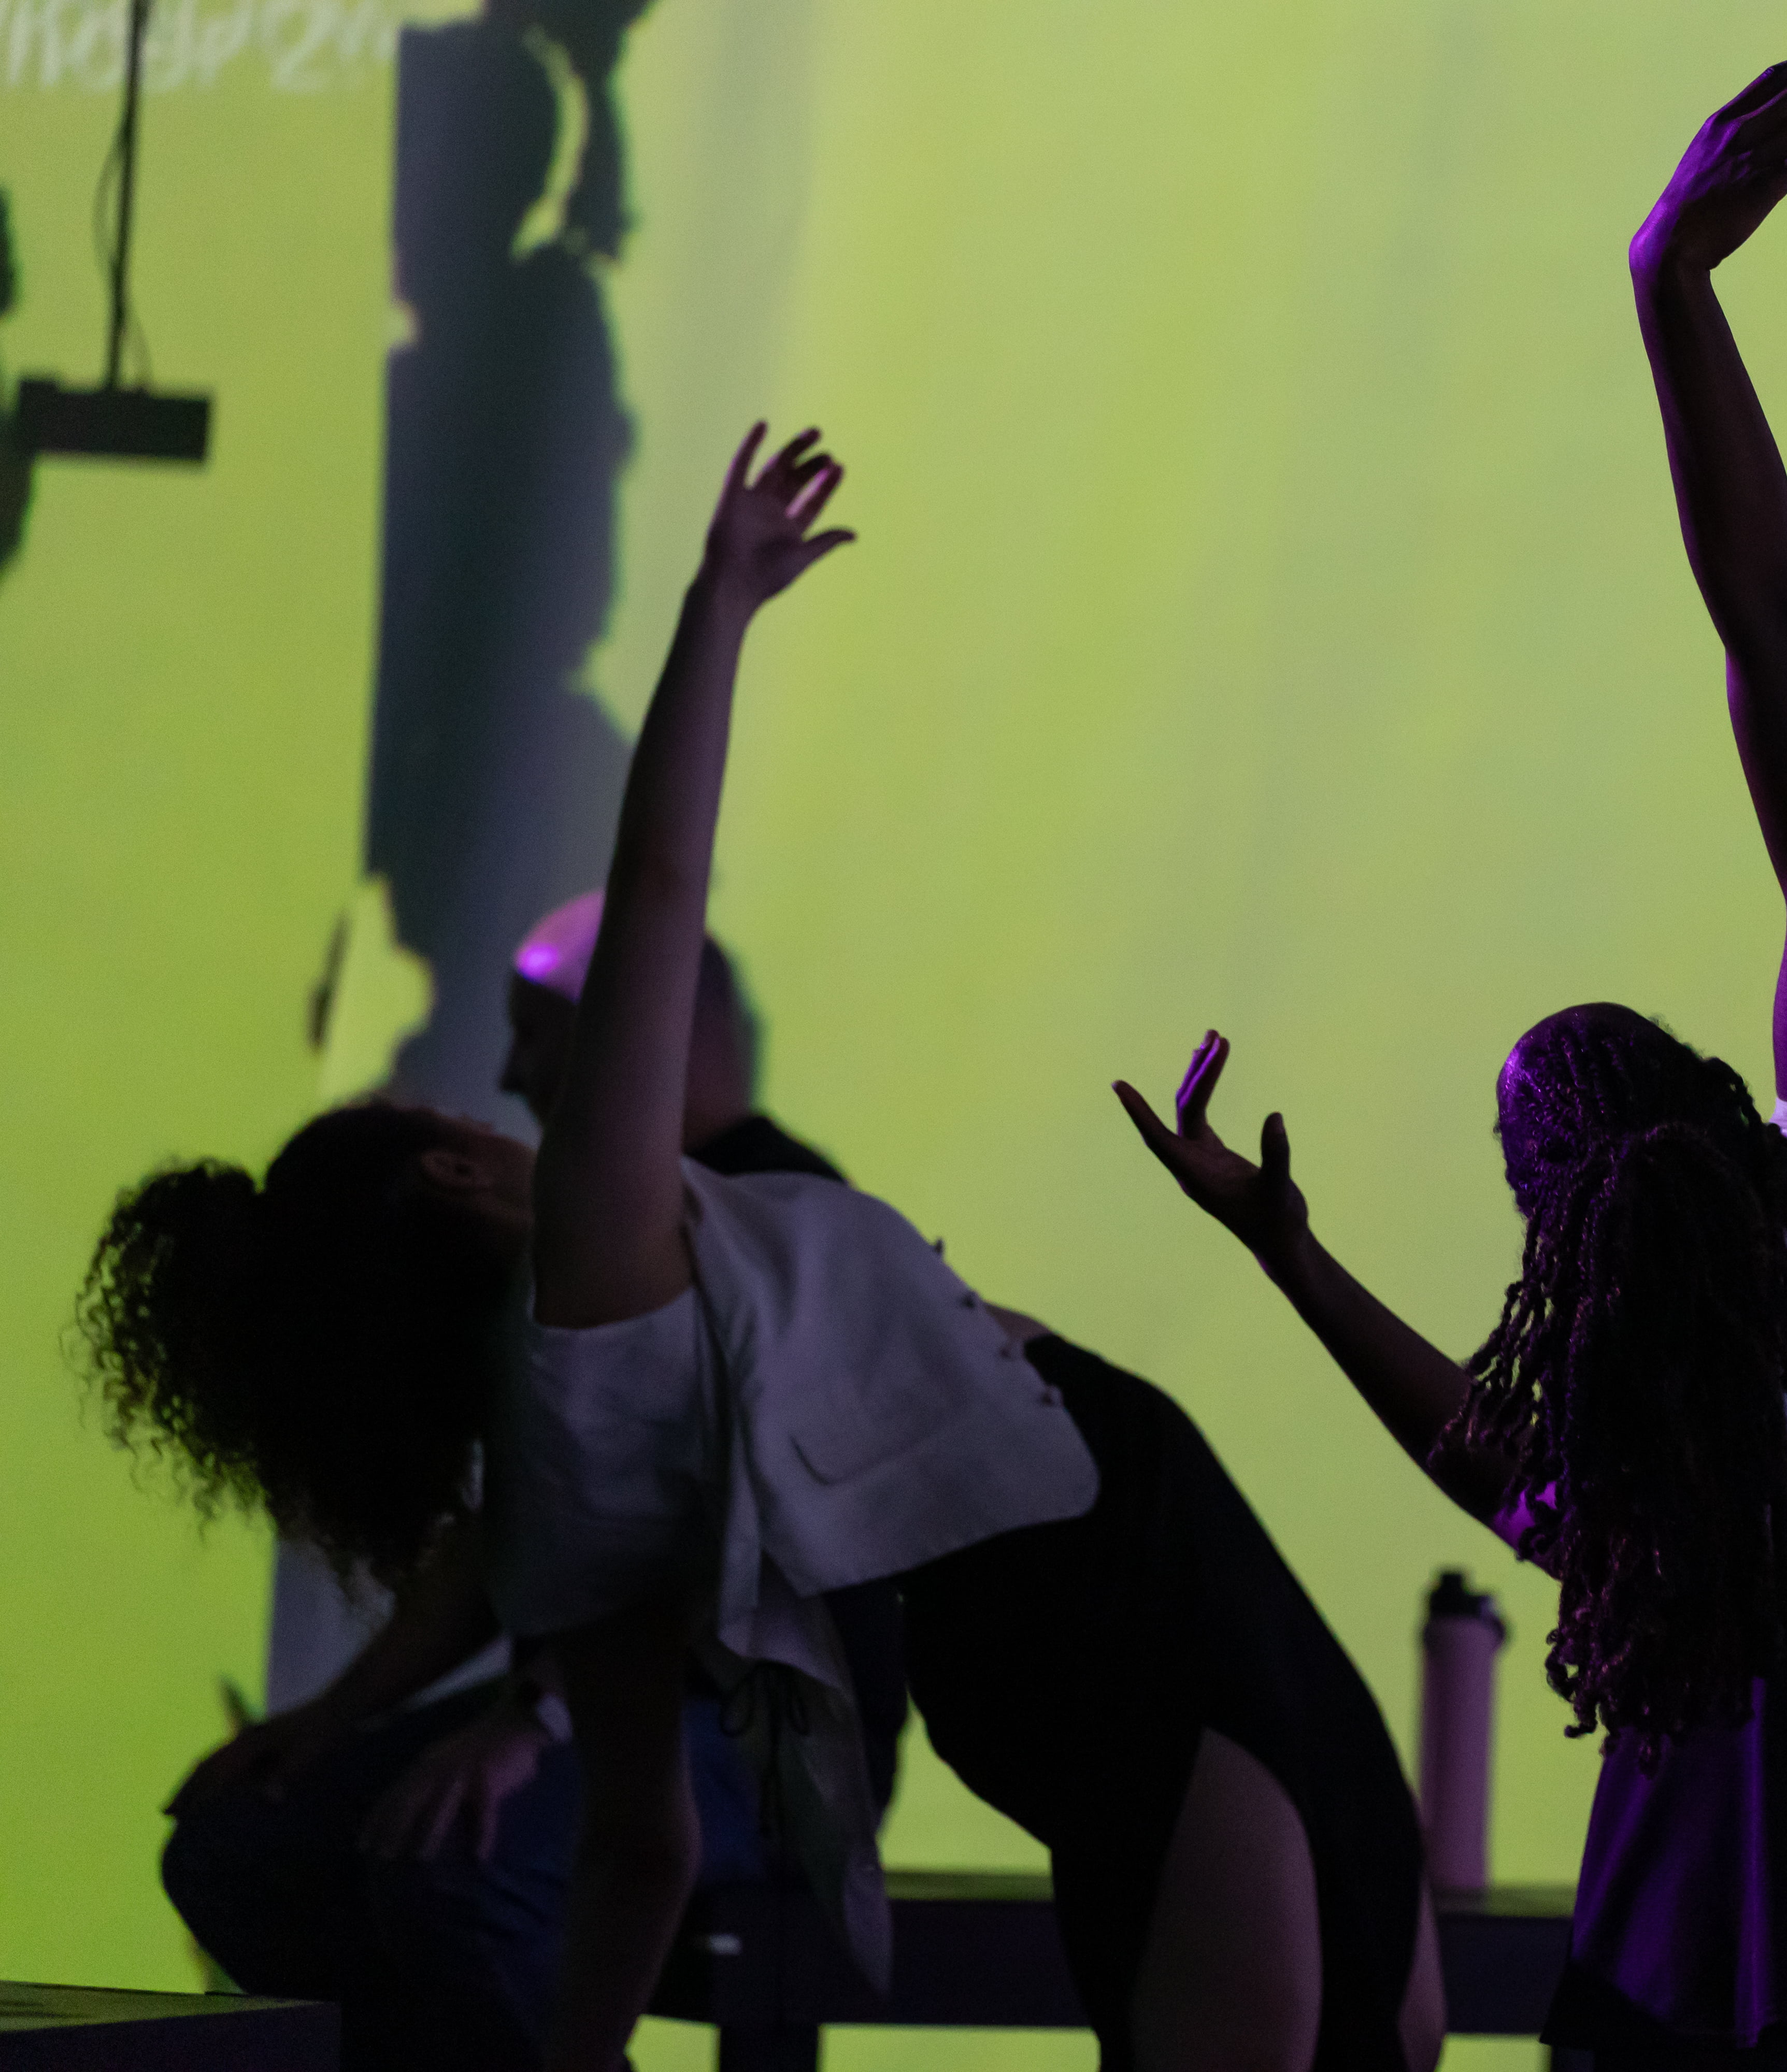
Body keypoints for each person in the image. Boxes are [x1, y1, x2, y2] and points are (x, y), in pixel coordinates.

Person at [83, 425, 1440, 2072]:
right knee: (1349, 2036)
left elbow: (639, 1854)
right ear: (453, 1167)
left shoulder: (555, 1490)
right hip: (1118, 1579)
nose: (522, 1104)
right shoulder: (600, 1256)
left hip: (1085, 1603)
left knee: (1366, 2026)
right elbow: (657, 889)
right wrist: (720, 605)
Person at [1121, 51, 1787, 2069]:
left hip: (1737, 1918)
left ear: (1573, 1252)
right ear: (1720, 1092)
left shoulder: (1676, 1457)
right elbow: (1775, 637)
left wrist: (1286, 1252)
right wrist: (1675, 292)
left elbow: (1502, 1460)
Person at [136, 895, 893, 2072]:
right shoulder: (575, 1260)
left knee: (456, 1873)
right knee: (239, 1848)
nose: (505, 1072)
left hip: (765, 1738)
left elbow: (728, 1519)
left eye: (533, 1036)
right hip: (608, 1710)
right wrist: (333, 1720)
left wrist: (527, 1717)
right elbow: (508, 1540)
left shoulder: (776, 1214)